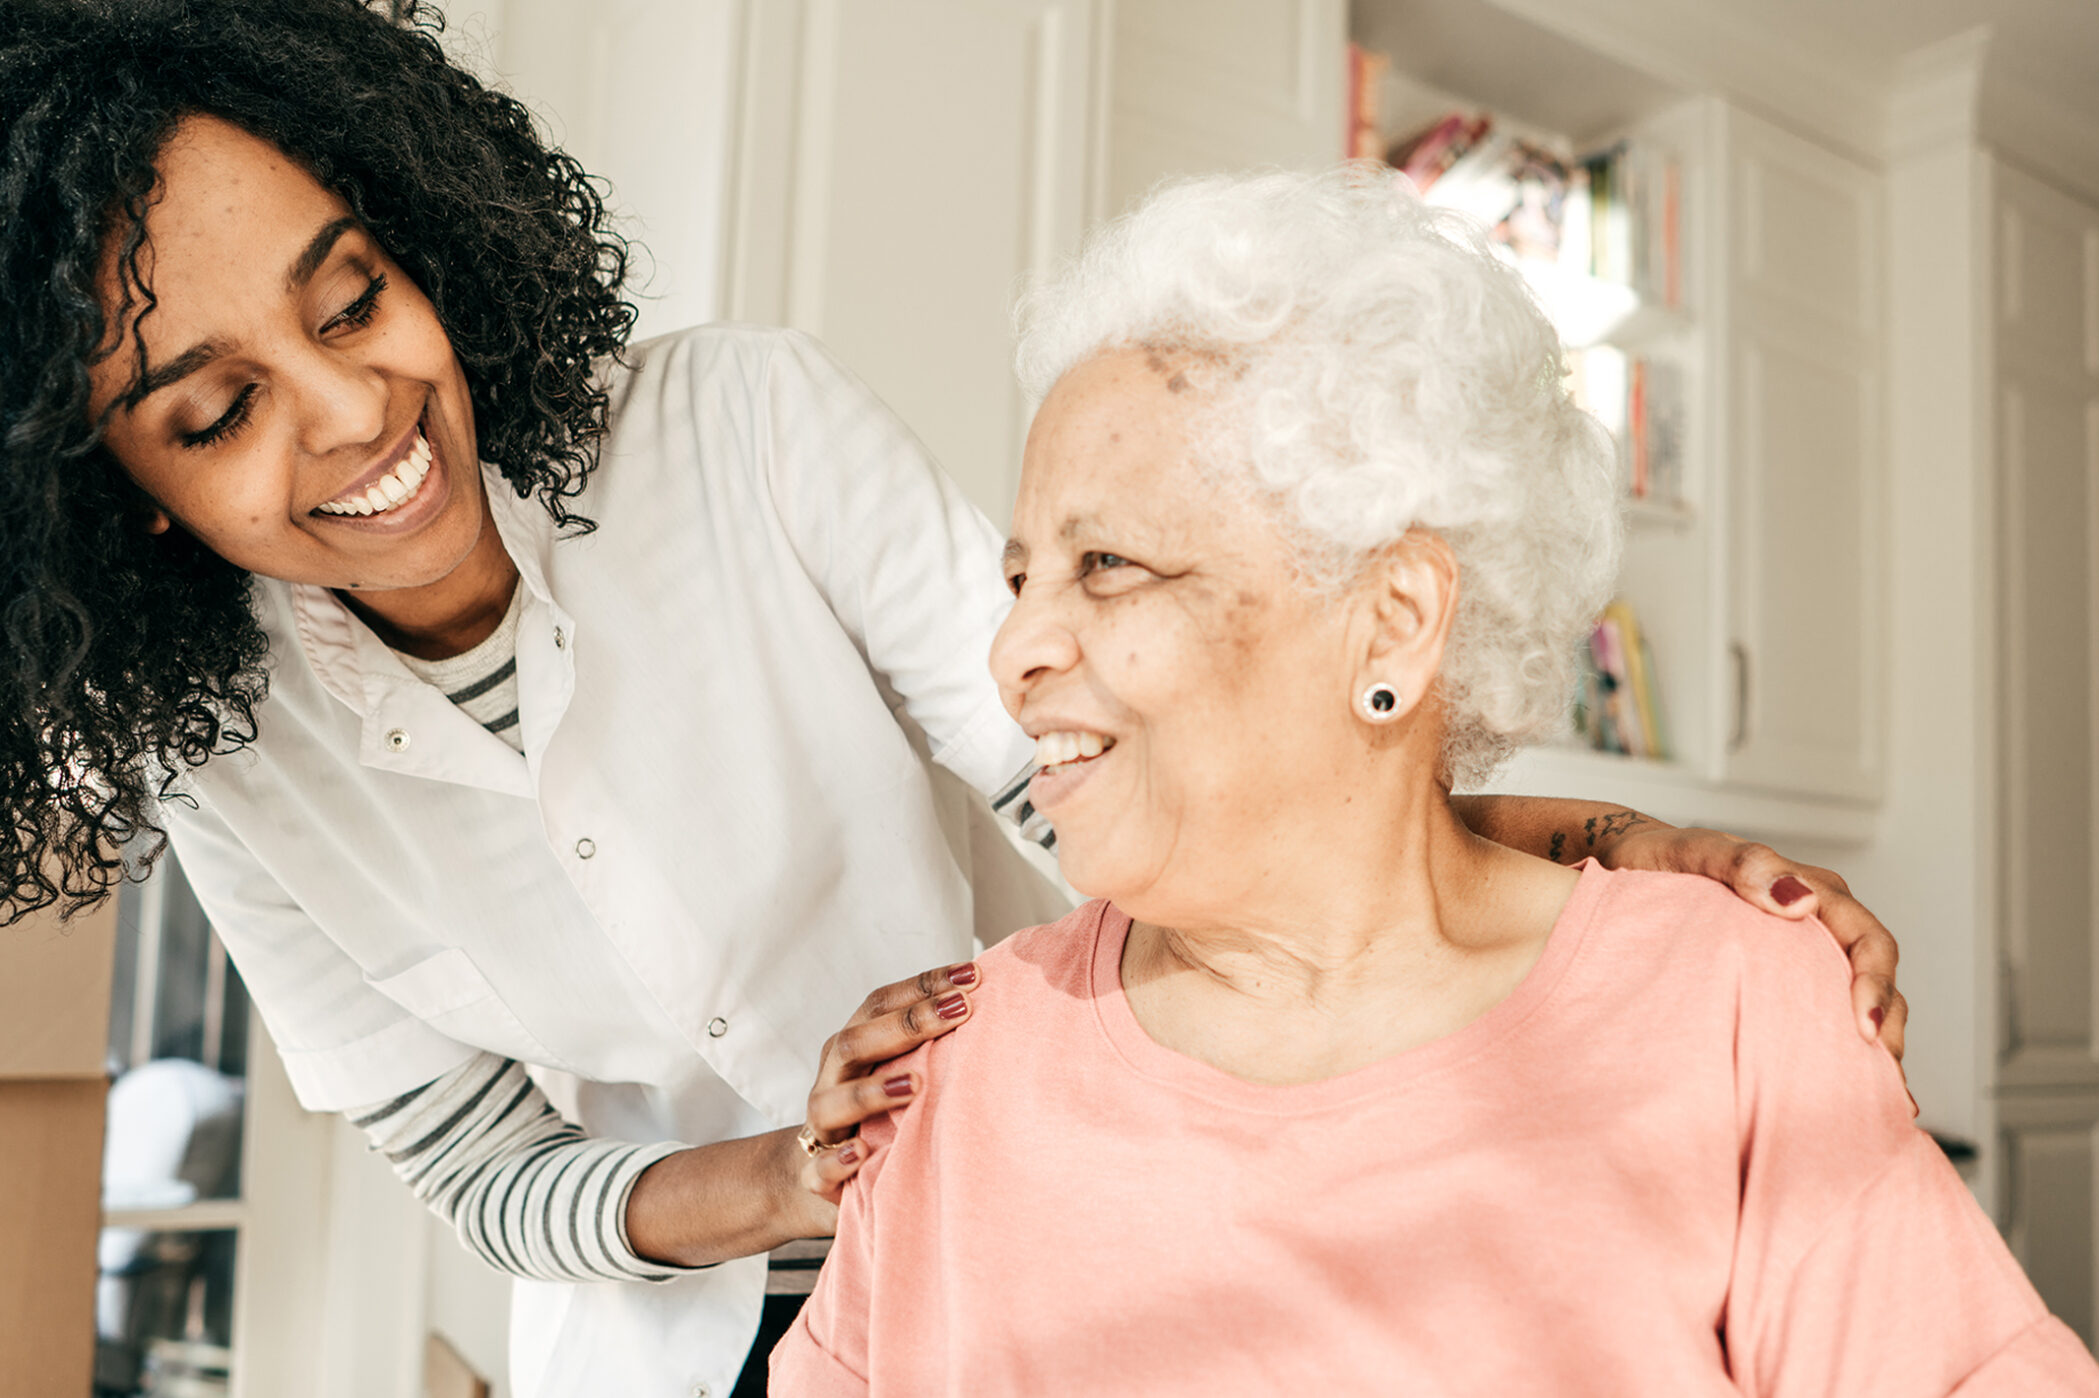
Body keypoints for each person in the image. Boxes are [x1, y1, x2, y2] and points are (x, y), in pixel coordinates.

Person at [0, 3, 1910, 1393]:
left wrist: (1598, 854)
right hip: (669, 1344)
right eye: (216, 409)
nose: (351, 413)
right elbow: (473, 1164)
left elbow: (1125, 776)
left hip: (1043, 1248)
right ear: (117, 499)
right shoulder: (233, 770)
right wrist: (778, 1176)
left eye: (352, 300)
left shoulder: (733, 431)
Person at [769, 165, 2099, 1396]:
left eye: (1106, 563)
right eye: (1020, 582)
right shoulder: (945, 1071)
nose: (1011, 651)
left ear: (1394, 619)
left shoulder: (1734, 1004)